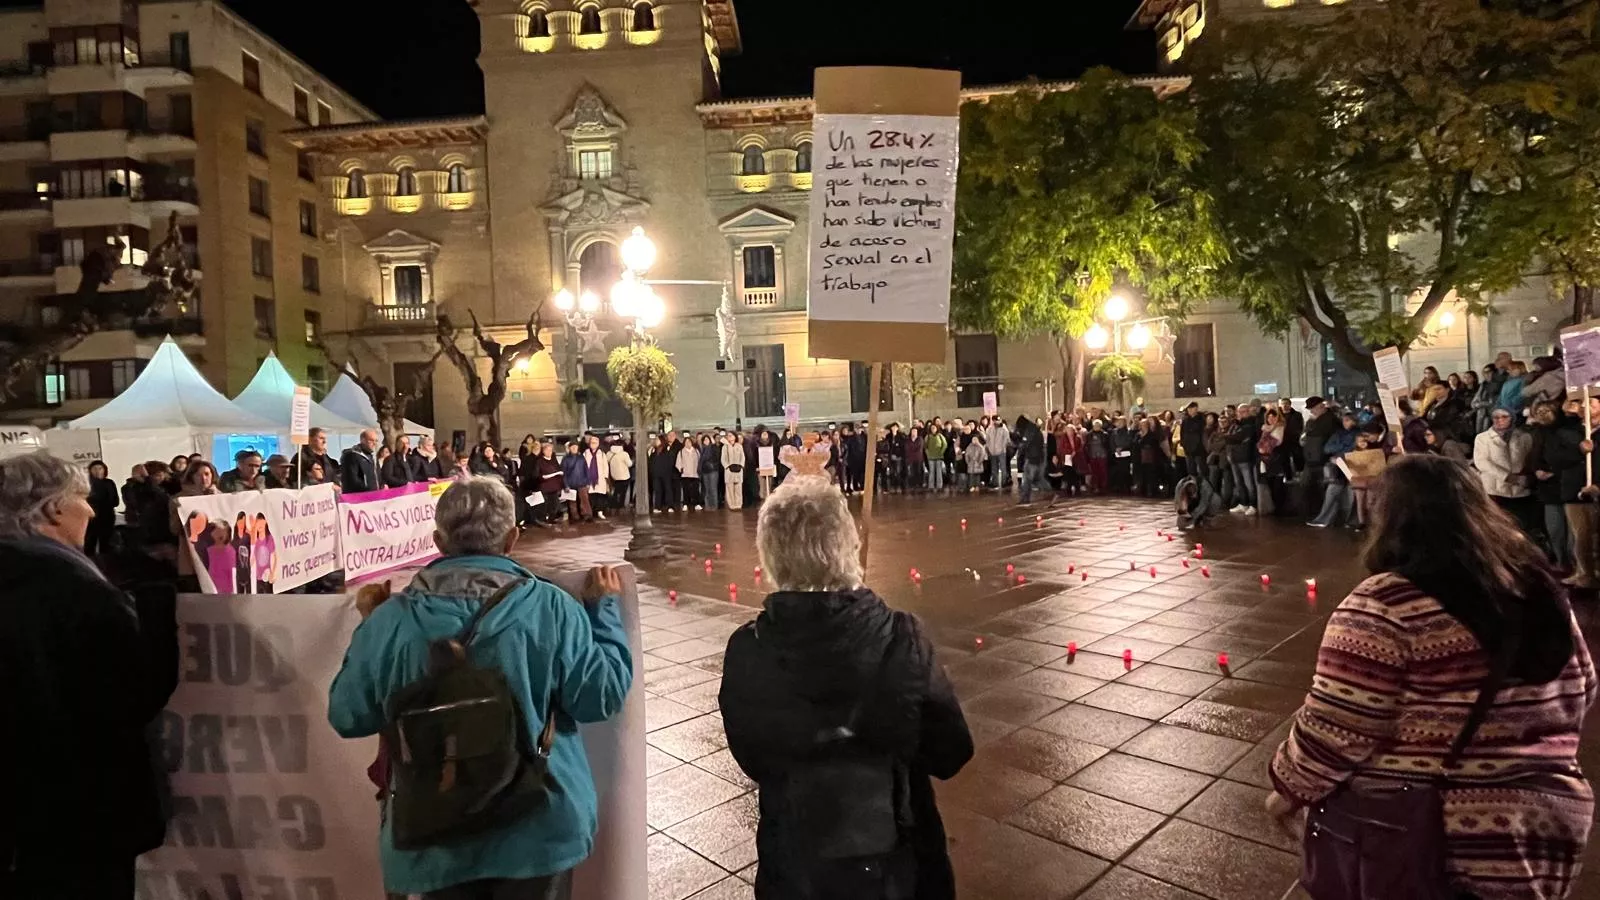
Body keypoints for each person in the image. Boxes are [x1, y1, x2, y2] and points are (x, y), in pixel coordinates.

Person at [1267, 455, 1595, 900]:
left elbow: (1338, 727)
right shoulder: (1535, 586)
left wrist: (1288, 789)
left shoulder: (1386, 604)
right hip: (1538, 824)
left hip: (1434, 833)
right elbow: (1583, 685)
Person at [328, 476, 632, 900]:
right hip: (538, 831)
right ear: (512, 539)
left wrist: (370, 629)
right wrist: (604, 613)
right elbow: (601, 697)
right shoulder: (553, 608)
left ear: (438, 541)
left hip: (432, 840)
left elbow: (347, 714)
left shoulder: (388, 621)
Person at [719, 477, 973, 899]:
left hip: (797, 867)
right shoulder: (900, 639)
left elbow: (753, 757)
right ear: (846, 546)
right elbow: (950, 750)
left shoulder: (748, 650)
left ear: (772, 555)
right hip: (894, 868)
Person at [0, 452, 179, 899]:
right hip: (86, 806)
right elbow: (136, 691)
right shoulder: (72, 586)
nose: (93, 510)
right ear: (52, 508)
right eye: (81, 497)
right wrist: (159, 597)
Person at [1473, 408, 1536, 536]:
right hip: (1495, 490)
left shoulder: (1524, 437)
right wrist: (1506, 476)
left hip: (1519, 490)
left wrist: (1526, 477)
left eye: (1504, 417)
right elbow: (1482, 462)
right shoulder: (1483, 438)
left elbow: (1530, 458)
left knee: (1521, 528)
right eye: (1496, 417)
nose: (1500, 420)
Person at [1225, 402, 1261, 514]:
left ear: (1249, 411)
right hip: (1235, 457)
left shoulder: (1251, 424)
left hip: (1246, 458)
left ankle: (1253, 505)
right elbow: (1230, 438)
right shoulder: (1235, 424)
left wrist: (1231, 438)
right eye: (1240, 412)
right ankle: (1243, 503)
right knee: (1239, 483)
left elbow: (1239, 437)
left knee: (1249, 483)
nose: (1241, 414)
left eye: (1244, 411)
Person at [83, 459, 119, 556]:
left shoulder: (109, 482)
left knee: (106, 543)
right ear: (90, 470)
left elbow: (115, 501)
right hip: (92, 517)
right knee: (90, 543)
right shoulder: (86, 483)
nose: (98, 471)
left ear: (104, 470)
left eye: (100, 468)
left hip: (107, 516)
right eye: (94, 468)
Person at [559, 440, 594, 523]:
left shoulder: (582, 458)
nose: (574, 448)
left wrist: (588, 482)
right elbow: (563, 473)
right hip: (571, 483)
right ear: (569, 448)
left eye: (575, 446)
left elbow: (586, 470)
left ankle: (587, 515)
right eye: (572, 447)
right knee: (572, 502)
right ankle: (575, 517)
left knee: (584, 500)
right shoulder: (565, 459)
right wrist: (566, 485)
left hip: (582, 482)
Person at [342, 429, 381, 494]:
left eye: (376, 441)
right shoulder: (352, 456)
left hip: (374, 495)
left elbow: (379, 475)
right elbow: (352, 479)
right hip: (359, 496)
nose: (374, 443)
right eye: (371, 440)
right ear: (363, 440)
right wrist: (368, 489)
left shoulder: (373, 457)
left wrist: (381, 486)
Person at [583, 435, 610, 520]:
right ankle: (593, 512)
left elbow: (605, 466)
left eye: (595, 443)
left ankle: (600, 511)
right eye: (592, 443)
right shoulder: (586, 453)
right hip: (589, 478)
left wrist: (606, 477)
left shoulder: (601, 453)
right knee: (591, 496)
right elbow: (583, 466)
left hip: (600, 478)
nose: (593, 444)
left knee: (600, 496)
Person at [605, 438, 633, 511]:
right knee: (623, 492)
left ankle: (613, 504)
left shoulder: (608, 453)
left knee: (616, 491)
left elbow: (606, 462)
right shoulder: (624, 454)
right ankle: (620, 504)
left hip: (614, 476)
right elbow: (629, 464)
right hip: (624, 476)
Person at [721, 431, 745, 510]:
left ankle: (738, 504)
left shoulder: (739, 446)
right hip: (729, 470)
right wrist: (727, 466)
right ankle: (732, 505)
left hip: (738, 469)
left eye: (731, 435)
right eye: (728, 436)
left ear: (735, 437)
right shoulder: (725, 447)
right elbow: (723, 459)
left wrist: (741, 465)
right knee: (730, 488)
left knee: (738, 488)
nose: (730, 437)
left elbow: (743, 457)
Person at [697, 433, 721, 511]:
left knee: (713, 489)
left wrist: (712, 465)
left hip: (713, 471)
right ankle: (708, 505)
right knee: (707, 489)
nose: (706, 441)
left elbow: (717, 458)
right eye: (704, 440)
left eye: (707, 439)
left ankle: (714, 506)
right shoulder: (702, 450)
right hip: (705, 471)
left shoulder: (713, 448)